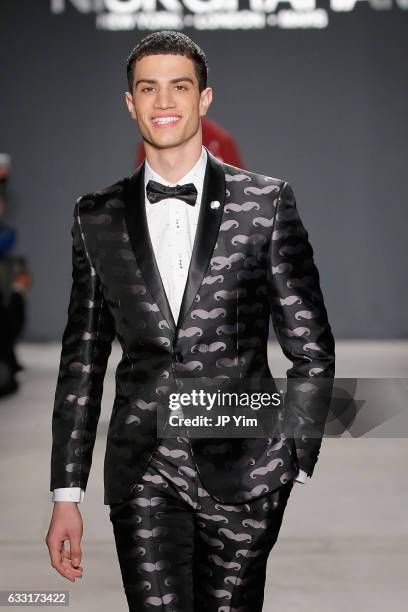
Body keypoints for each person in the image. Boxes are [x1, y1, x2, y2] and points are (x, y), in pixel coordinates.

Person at [46, 31, 335, 611]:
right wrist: (66, 492)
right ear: (130, 102)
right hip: (143, 470)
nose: (163, 101)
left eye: (179, 86)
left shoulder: (265, 202)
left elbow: (309, 344)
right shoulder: (95, 216)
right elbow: (83, 359)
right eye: (148, 88)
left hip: (247, 468)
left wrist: (295, 457)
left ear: (204, 98)